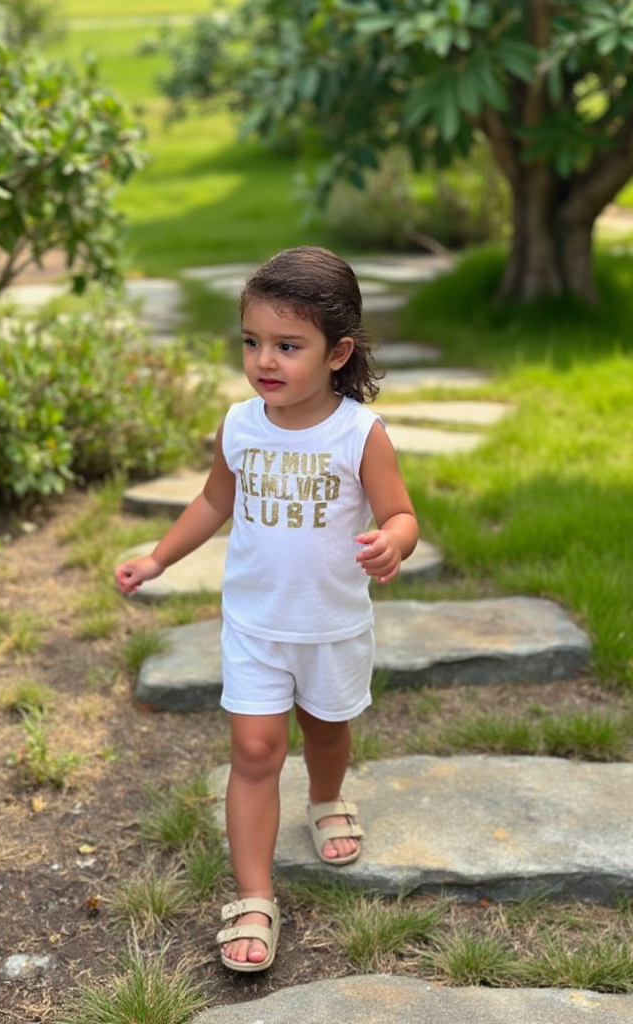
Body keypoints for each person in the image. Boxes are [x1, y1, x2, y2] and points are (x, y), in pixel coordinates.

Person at [114, 246, 418, 973]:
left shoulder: (358, 435)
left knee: (326, 728)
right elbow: (215, 500)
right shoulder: (242, 425)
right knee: (253, 752)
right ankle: (254, 896)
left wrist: (393, 543)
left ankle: (326, 795)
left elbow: (401, 512)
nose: (264, 361)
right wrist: (158, 557)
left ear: (338, 352)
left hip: (331, 625)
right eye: (252, 342)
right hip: (254, 625)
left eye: (288, 345)